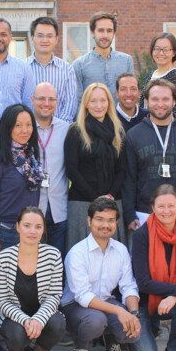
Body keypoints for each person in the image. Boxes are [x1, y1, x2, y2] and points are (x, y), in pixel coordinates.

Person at [0, 103, 44, 351]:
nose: (24, 129)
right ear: (7, 128)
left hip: (28, 232)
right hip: (6, 231)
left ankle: (20, 335)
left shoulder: (31, 155)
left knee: (24, 286)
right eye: (18, 125)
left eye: (28, 124)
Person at [61, 197, 145, 351]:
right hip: (76, 306)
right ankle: (82, 347)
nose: (105, 225)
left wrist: (134, 314)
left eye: (110, 220)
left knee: (133, 333)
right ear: (89, 221)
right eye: (99, 219)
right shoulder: (77, 253)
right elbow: (83, 296)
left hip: (106, 301)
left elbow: (128, 286)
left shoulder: (120, 250)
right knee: (95, 321)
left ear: (116, 223)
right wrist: (119, 311)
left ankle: (112, 338)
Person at [130, 185, 176, 351]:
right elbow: (143, 283)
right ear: (152, 207)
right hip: (144, 303)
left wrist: (175, 295)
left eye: (171, 206)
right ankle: (146, 328)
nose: (166, 211)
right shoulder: (141, 235)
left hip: (170, 299)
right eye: (161, 206)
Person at [123, 78, 176, 236]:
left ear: (174, 102)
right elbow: (129, 178)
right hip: (145, 215)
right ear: (146, 101)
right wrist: (130, 214)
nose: (160, 104)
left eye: (166, 99)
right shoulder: (134, 135)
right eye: (155, 99)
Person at [0, 207, 65, 351]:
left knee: (58, 323)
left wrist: (38, 319)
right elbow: (2, 301)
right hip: (13, 316)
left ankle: (40, 350)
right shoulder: (1, 258)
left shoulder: (53, 255)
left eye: (38, 227)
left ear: (43, 229)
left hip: (43, 313)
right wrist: (26, 320)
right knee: (18, 335)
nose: (32, 231)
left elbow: (54, 295)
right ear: (18, 227)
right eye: (27, 225)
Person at [64, 83, 126, 248]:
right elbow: (72, 169)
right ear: (86, 103)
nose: (98, 106)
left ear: (109, 103)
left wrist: (109, 197)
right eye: (93, 101)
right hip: (83, 203)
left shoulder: (118, 131)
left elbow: (122, 169)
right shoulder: (76, 131)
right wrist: (96, 199)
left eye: (102, 100)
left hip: (112, 202)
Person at [31, 83, 70, 256]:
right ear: (32, 100)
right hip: (30, 208)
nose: (46, 103)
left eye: (51, 99)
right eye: (41, 98)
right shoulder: (24, 127)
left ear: (57, 102)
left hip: (58, 209)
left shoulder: (67, 129)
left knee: (56, 262)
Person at [23, 16, 78, 122]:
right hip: (28, 132)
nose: (45, 40)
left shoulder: (67, 69)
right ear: (32, 38)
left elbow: (70, 104)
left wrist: (58, 128)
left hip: (59, 132)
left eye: (49, 36)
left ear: (56, 39)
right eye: (40, 36)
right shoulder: (22, 68)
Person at [72, 12, 134, 104]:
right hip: (91, 118)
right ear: (93, 32)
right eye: (101, 30)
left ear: (114, 33)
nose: (105, 35)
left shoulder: (126, 61)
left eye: (109, 31)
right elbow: (78, 100)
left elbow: (130, 95)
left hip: (119, 118)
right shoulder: (79, 65)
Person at [145, 33, 176, 117]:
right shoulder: (149, 75)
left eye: (166, 49)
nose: (161, 53)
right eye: (157, 49)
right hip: (148, 125)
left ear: (174, 52)